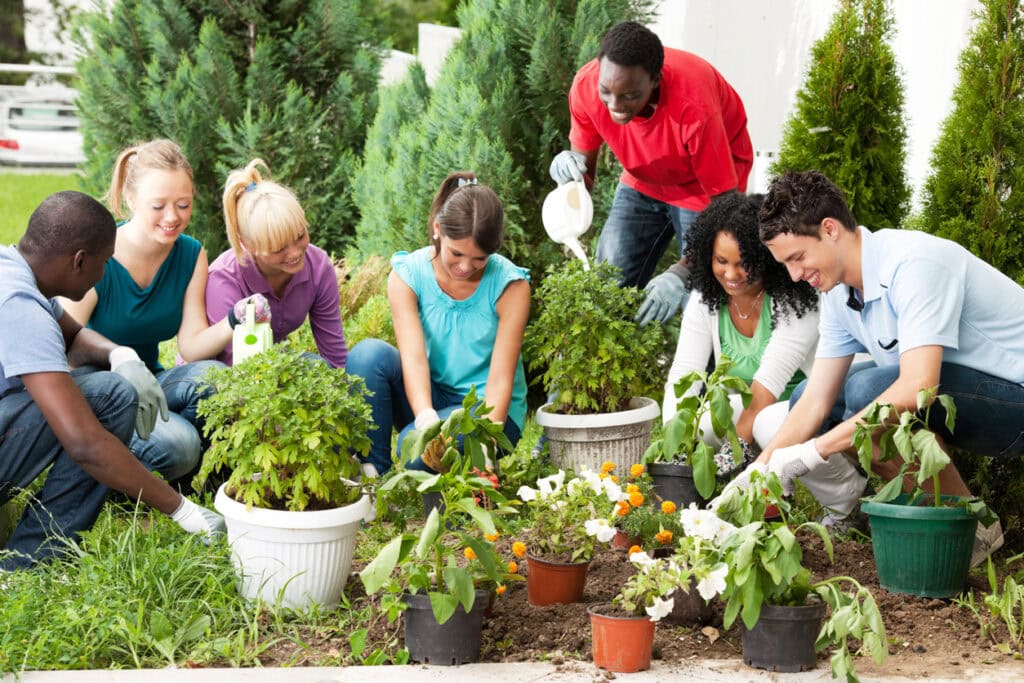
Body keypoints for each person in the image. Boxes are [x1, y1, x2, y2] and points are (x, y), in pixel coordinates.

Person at [739, 169, 1021, 564]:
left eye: (798, 257)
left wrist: (814, 452)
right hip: (970, 395)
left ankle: (967, 527)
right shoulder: (839, 294)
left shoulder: (914, 264)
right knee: (812, 394)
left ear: (830, 229)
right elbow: (815, 401)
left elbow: (918, 386)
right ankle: (962, 529)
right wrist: (755, 475)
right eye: (785, 264)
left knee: (866, 392)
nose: (795, 275)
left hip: (1016, 398)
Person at [0, 191, 223, 570]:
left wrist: (121, 355)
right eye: (103, 263)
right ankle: (27, 564)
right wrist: (182, 510)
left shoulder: (13, 270)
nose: (104, 275)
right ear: (79, 261)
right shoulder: (19, 308)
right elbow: (84, 443)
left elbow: (71, 333)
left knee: (109, 388)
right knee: (109, 398)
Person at [549, 20, 752, 326]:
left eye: (629, 95)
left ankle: (706, 373)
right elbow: (583, 174)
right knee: (606, 284)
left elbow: (726, 211)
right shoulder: (586, 86)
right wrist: (569, 178)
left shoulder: (693, 105)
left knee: (705, 299)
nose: (614, 105)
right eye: (607, 91)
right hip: (643, 177)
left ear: (656, 79)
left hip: (705, 187)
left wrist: (681, 273)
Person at [61, 139, 230, 485]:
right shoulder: (99, 255)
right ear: (131, 199)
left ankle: (189, 481)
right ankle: (115, 482)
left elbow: (192, 347)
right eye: (159, 206)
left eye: (183, 204)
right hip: (97, 389)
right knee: (181, 446)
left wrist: (234, 322)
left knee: (218, 379)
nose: (172, 217)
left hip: (149, 379)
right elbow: (61, 343)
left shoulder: (190, 253)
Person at [346, 172, 530, 476]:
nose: (465, 267)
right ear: (437, 230)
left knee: (417, 450)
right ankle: (372, 473)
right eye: (456, 253)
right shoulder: (407, 275)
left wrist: (486, 442)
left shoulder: (510, 286)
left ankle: (475, 452)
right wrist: (426, 418)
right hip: (430, 394)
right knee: (368, 356)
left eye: (479, 259)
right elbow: (414, 359)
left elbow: (499, 380)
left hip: (489, 410)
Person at [664, 193, 819, 465]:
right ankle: (757, 459)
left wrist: (729, 460)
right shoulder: (706, 299)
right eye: (721, 261)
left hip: (808, 409)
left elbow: (765, 390)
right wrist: (673, 445)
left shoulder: (796, 299)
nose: (731, 275)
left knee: (765, 425)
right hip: (755, 415)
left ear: (767, 258)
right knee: (705, 422)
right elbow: (685, 373)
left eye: (743, 264)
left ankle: (843, 491)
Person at [204, 159, 347, 368]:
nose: (295, 252)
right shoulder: (224, 280)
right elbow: (238, 369)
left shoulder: (318, 266)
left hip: (267, 371)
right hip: (213, 382)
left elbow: (334, 355)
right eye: (279, 248)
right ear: (247, 245)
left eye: (299, 236)